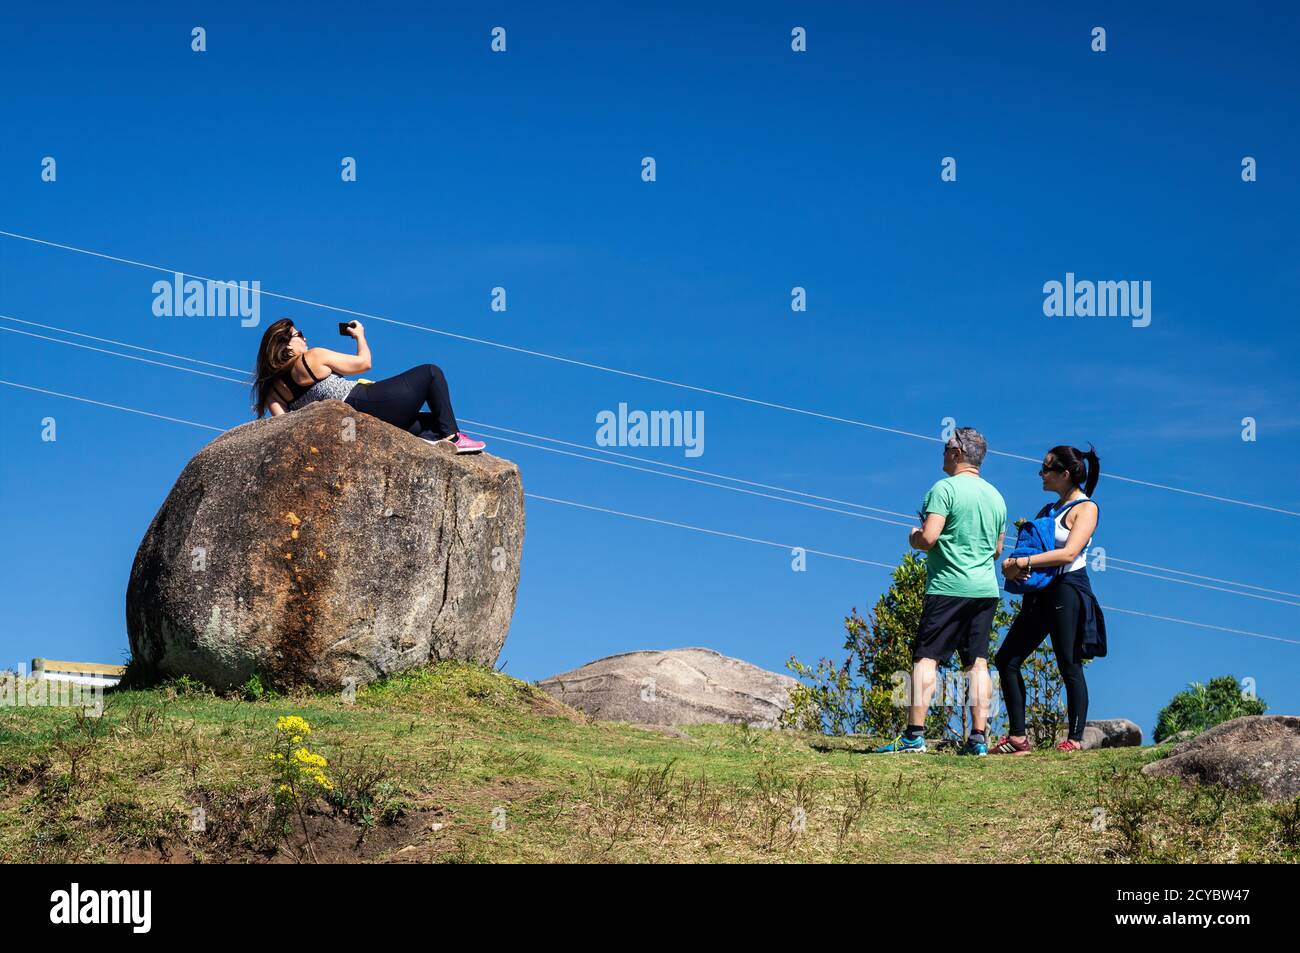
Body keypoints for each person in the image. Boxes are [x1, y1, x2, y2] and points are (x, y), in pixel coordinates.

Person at [873, 427, 1006, 756]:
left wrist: (914, 536)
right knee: (977, 663)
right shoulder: (996, 497)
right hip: (985, 589)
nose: (943, 453)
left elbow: (929, 538)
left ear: (958, 453)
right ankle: (978, 739)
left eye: (946, 448)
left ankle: (914, 736)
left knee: (926, 658)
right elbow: (997, 550)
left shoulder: (944, 490)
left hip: (948, 586)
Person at [992, 445, 1105, 754]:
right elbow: (1028, 550)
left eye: (1045, 468)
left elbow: (1070, 553)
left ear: (1065, 474)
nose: (1040, 474)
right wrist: (1012, 565)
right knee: (1006, 660)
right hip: (1040, 591)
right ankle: (1017, 738)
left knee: (1069, 664)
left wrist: (1025, 564)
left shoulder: (1086, 508)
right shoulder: (1047, 509)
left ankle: (1076, 739)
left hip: (1068, 588)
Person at [251, 318, 485, 453]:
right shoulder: (311, 357)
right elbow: (364, 363)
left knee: (435, 421)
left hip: (353, 427)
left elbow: (285, 426)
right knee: (431, 372)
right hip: (364, 401)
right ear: (287, 347)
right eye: (298, 334)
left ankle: (437, 437)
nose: (304, 338)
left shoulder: (273, 391)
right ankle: (453, 438)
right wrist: (359, 336)